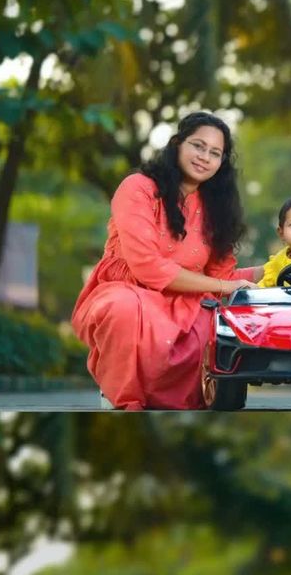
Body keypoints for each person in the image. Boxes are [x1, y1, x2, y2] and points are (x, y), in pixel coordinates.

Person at [72, 112, 265, 410]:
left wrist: (270, 271)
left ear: (222, 162)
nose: (204, 157)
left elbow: (222, 278)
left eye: (215, 153)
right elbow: (147, 266)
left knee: (216, 324)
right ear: (177, 144)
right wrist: (225, 286)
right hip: (130, 290)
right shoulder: (139, 188)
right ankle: (123, 397)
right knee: (124, 309)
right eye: (198, 146)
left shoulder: (217, 208)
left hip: (186, 302)